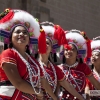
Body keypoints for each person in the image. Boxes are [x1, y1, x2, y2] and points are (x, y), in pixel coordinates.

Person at [0, 9, 57, 100]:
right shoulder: (8, 54)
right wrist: (38, 92)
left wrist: (54, 98)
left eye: (25, 33)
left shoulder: (33, 61)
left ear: (29, 40)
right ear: (10, 38)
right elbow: (18, 83)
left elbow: (43, 81)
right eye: (17, 32)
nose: (22, 34)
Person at [36, 22, 85, 100]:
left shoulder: (55, 69)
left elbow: (68, 86)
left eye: (48, 43)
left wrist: (82, 98)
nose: (45, 45)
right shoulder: (32, 64)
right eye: (42, 42)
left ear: (52, 49)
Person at [58, 29, 100, 100]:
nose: (69, 51)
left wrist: (88, 95)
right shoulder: (59, 68)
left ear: (78, 53)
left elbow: (97, 87)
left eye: (72, 49)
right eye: (66, 49)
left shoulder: (83, 67)